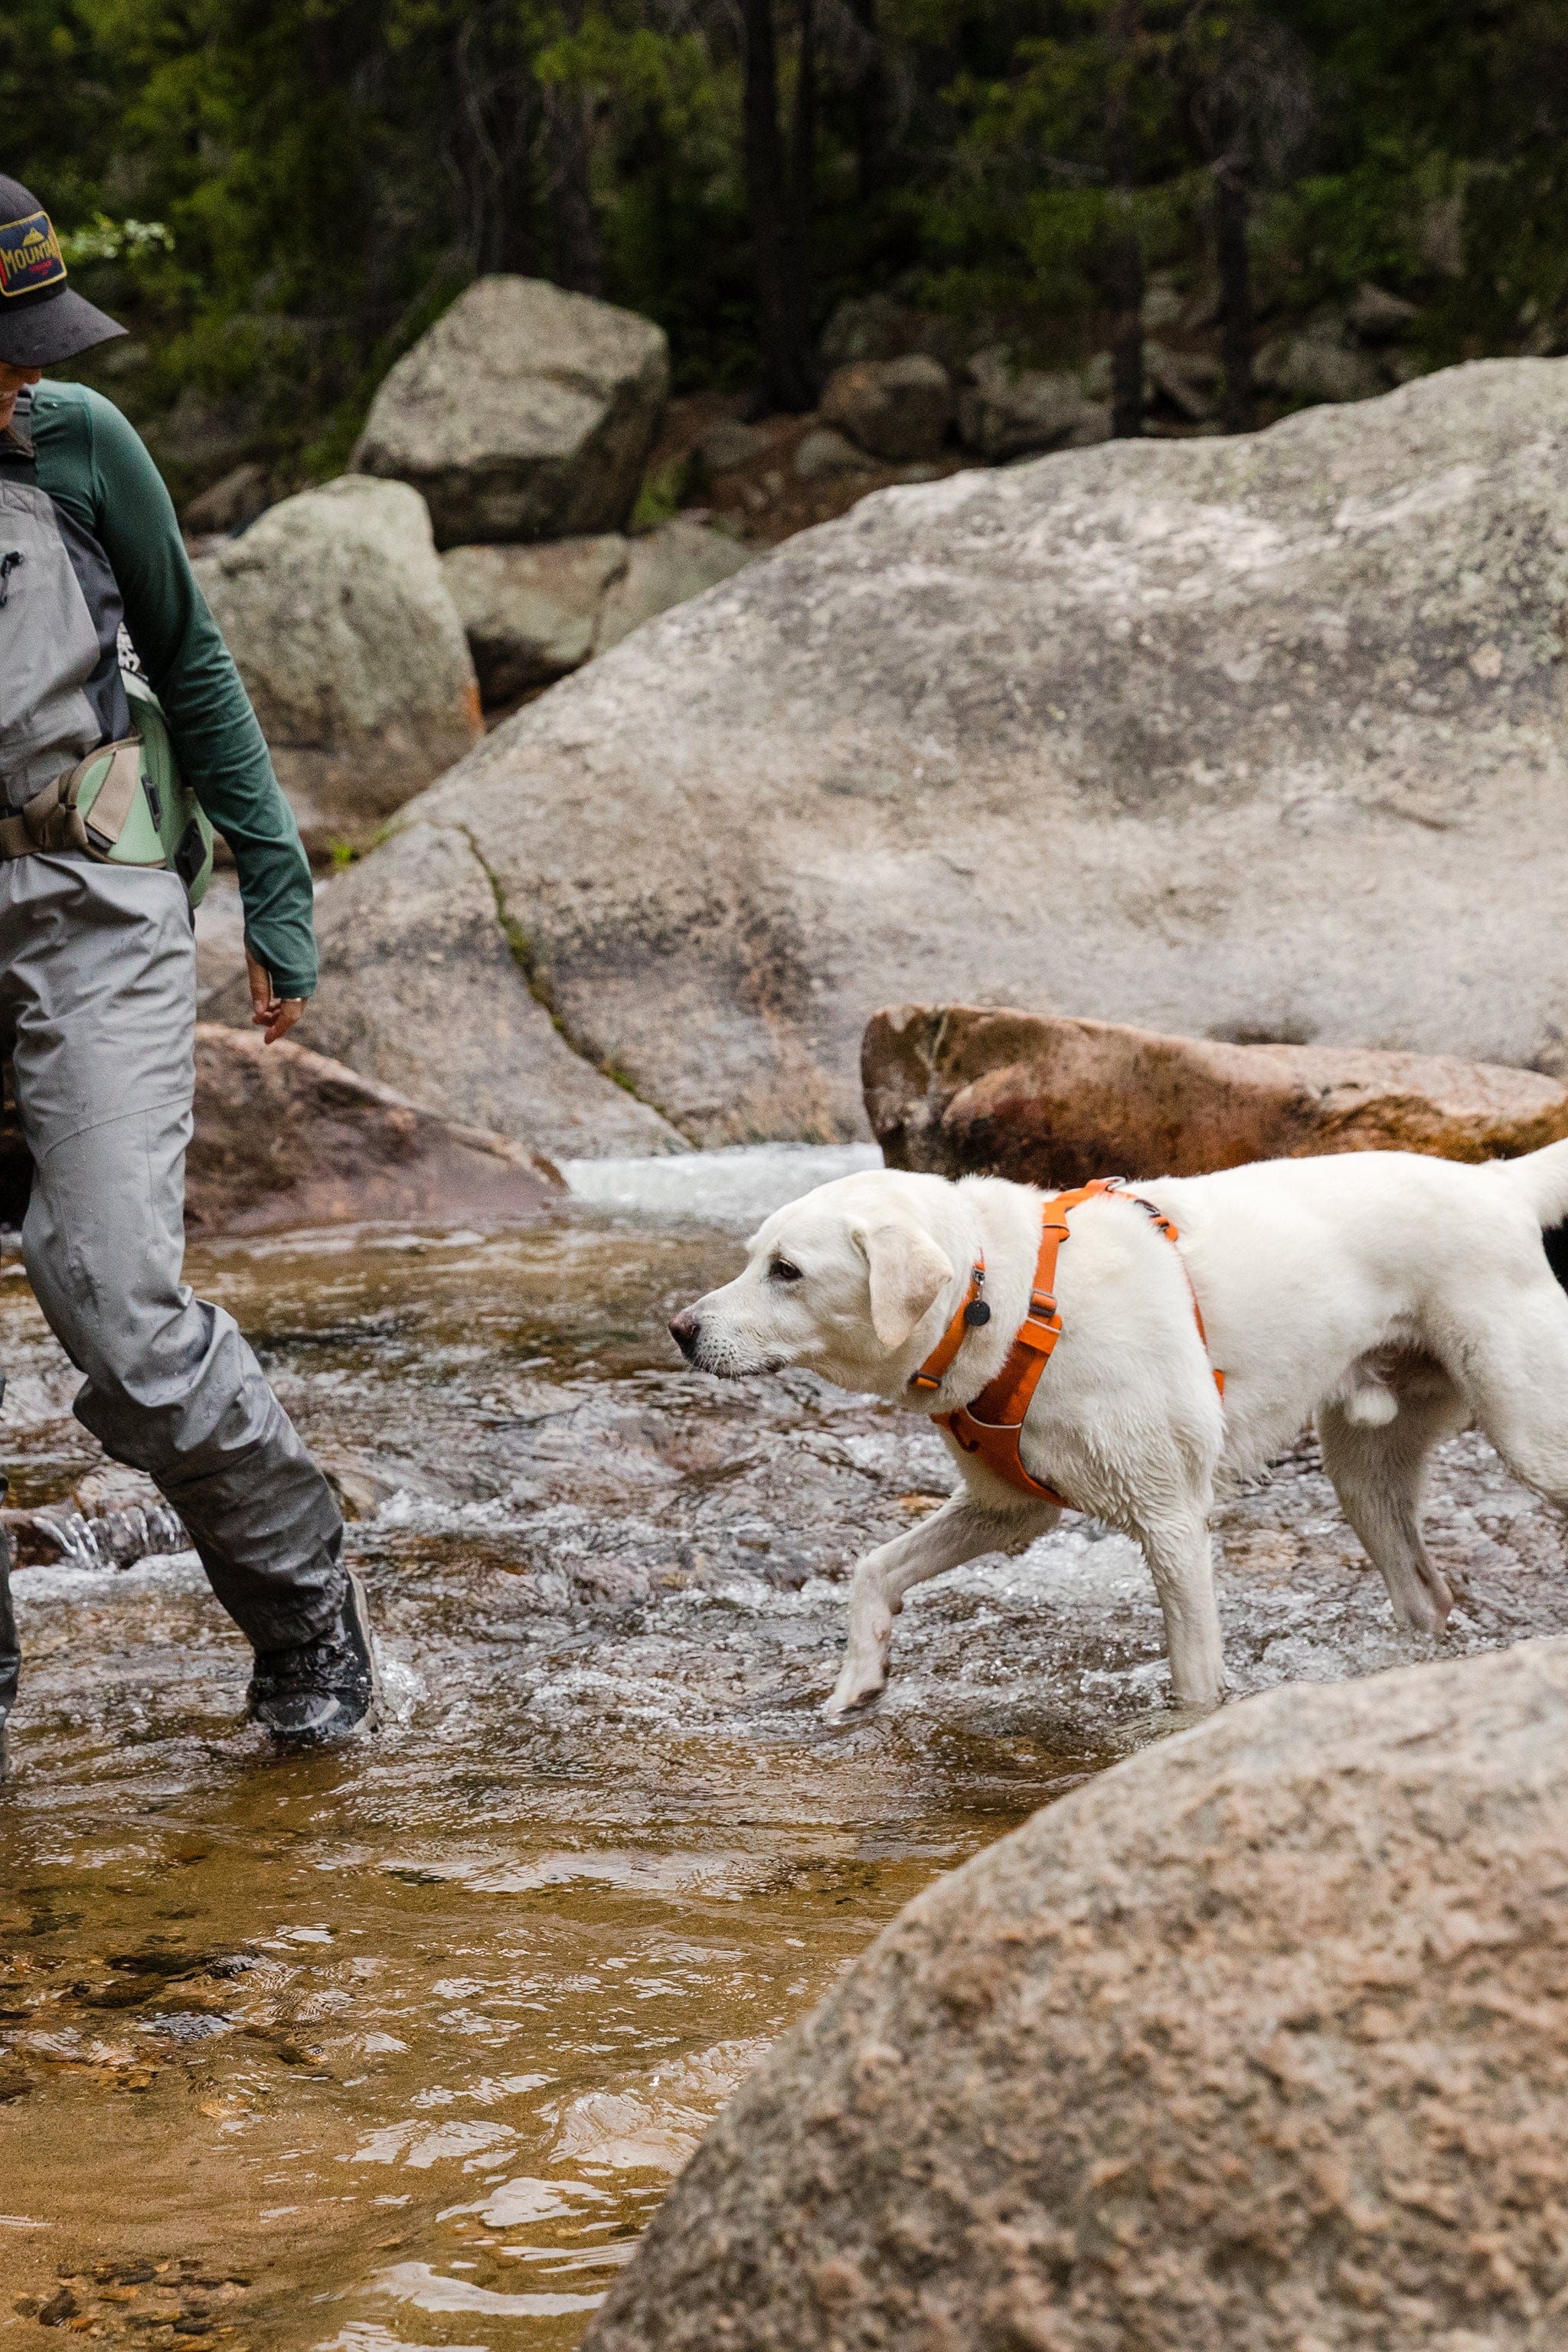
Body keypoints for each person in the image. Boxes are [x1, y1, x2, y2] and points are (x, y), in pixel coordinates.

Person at [0, 174, 378, 1779]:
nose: (26, 370)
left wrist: (277, 888)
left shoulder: (79, 444)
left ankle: (305, 1611)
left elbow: (192, 651)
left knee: (119, 1303)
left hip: (88, 896)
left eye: (34, 340)